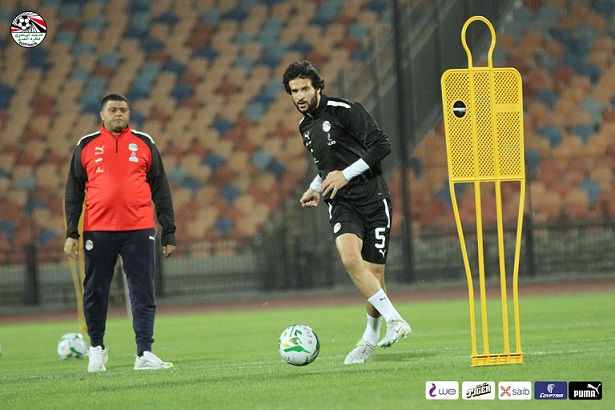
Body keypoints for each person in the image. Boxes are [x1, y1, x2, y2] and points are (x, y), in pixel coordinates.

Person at [282, 61, 411, 365]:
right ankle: (395, 320)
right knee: (351, 260)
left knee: (374, 274)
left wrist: (345, 175)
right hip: (341, 203)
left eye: (304, 89)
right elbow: (328, 168)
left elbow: (382, 145)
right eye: (294, 91)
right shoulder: (305, 127)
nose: (299, 96)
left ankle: (369, 338)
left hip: (373, 198)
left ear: (317, 87)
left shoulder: (345, 110)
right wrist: (315, 187)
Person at [64, 93, 176, 372]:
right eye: (113, 110)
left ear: (129, 114)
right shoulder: (86, 145)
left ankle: (144, 353)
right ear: (102, 115)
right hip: (98, 230)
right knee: (95, 290)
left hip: (139, 228)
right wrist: (71, 233)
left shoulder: (145, 143)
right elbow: (74, 192)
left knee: (143, 290)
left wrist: (169, 232)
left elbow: (161, 189)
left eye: (123, 110)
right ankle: (96, 349)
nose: (119, 114)